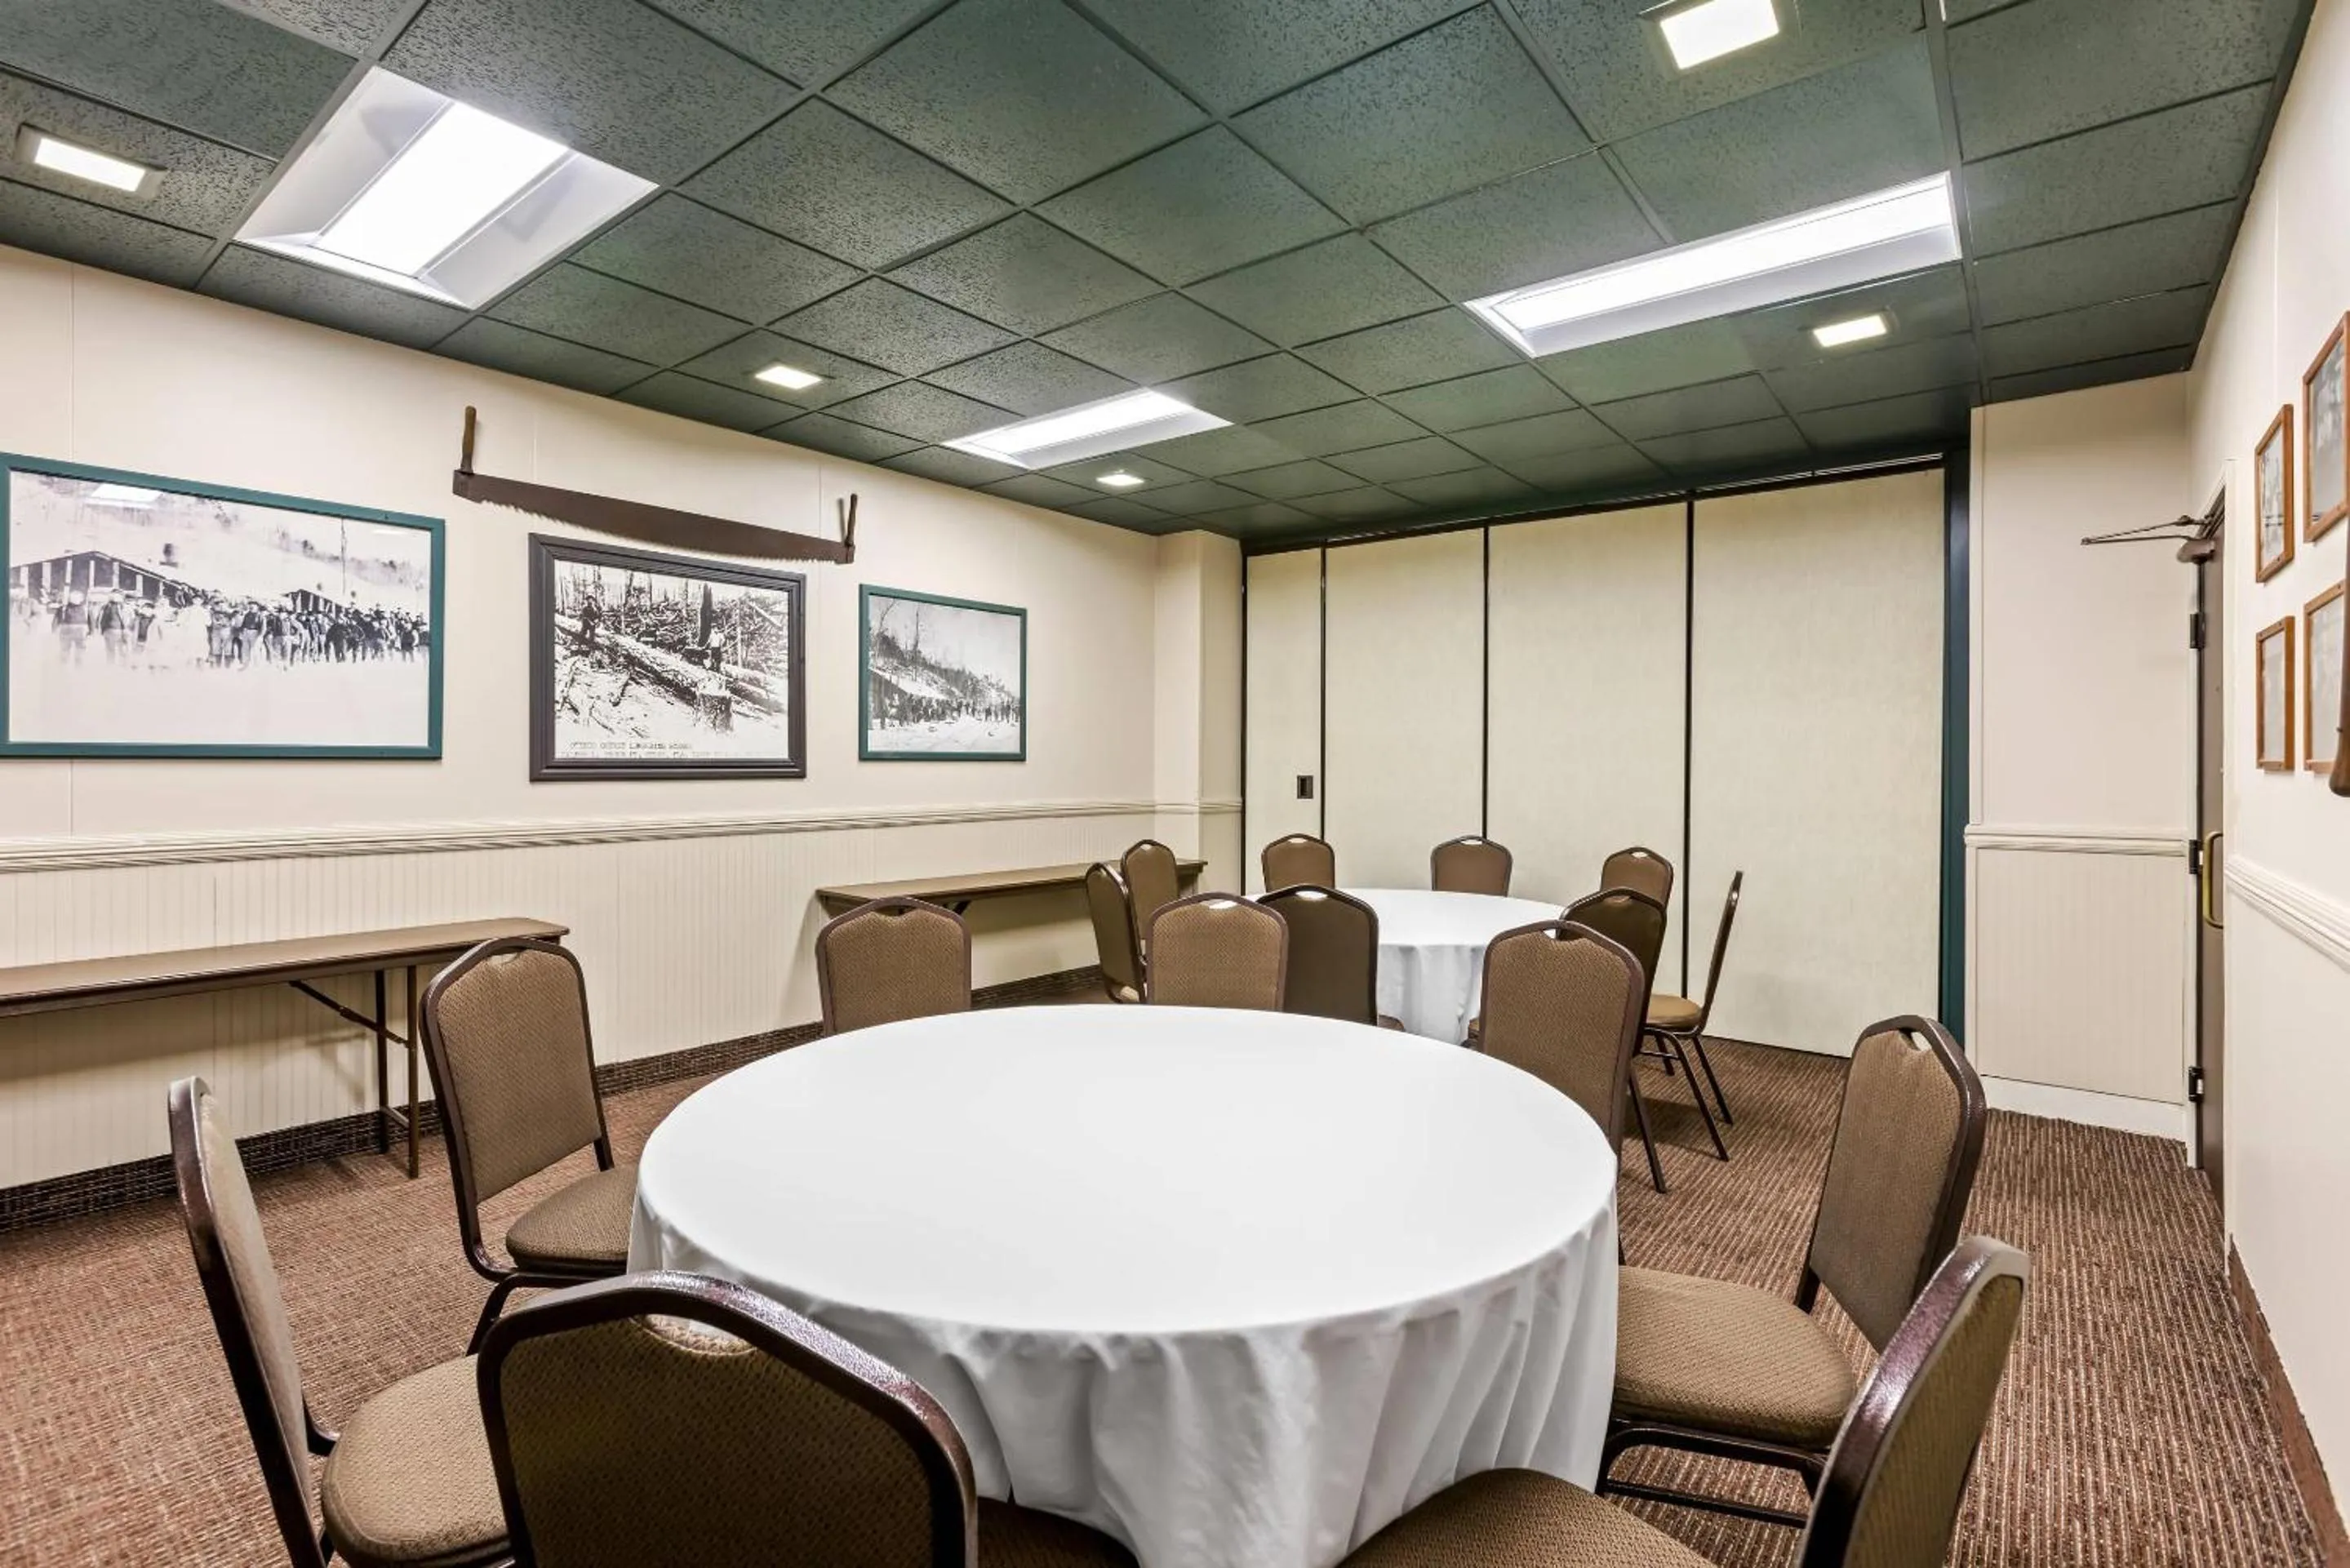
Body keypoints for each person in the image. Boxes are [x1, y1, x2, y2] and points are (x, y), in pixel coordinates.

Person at [53, 589, 91, 665]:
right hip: (81, 629)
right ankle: (79, 666)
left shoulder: (63, 608)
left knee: (65, 649)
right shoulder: (86, 608)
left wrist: (54, 630)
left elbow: (56, 620)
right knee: (80, 648)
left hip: (66, 628)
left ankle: (63, 666)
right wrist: (91, 631)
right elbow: (91, 621)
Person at [96, 592, 129, 664]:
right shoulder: (107, 606)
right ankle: (115, 665)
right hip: (113, 630)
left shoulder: (120, 607)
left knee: (115, 650)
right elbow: (101, 618)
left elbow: (101, 618)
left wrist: (101, 629)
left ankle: (117, 665)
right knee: (116, 650)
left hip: (116, 630)